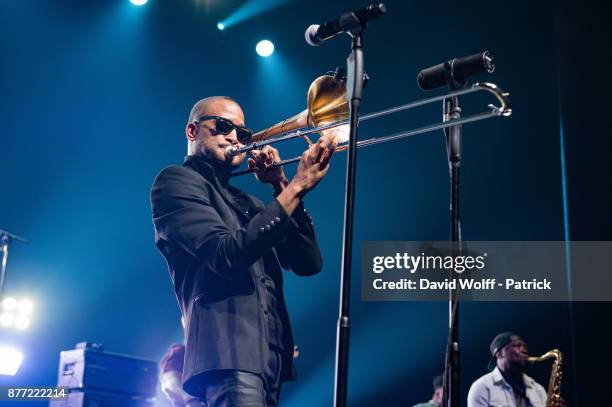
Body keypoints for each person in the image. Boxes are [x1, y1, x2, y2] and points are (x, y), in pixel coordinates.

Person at [150, 96, 336, 407]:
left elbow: (308, 263)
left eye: (243, 133)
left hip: (270, 359)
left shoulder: (249, 203)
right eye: (223, 126)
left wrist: (281, 185)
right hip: (227, 354)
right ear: (192, 131)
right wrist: (298, 188)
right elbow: (225, 255)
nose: (235, 137)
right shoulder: (176, 182)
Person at [467, 332, 566, 407]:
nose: (524, 350)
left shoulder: (538, 389)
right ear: (499, 354)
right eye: (517, 346)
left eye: (525, 347)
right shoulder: (481, 387)